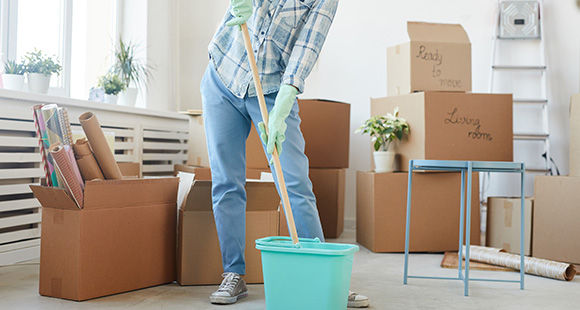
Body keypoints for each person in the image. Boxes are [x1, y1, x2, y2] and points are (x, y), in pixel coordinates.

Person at [200, 0, 370, 308]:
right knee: (226, 181)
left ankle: (325, 277)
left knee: (294, 184)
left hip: (272, 89)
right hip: (224, 74)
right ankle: (234, 274)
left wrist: (287, 97)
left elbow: (307, 46)